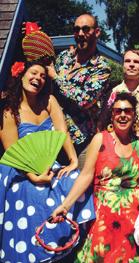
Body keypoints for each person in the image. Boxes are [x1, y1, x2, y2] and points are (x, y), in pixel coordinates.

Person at [52, 92, 139, 262]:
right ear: (112, 115)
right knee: (98, 255)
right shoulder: (100, 139)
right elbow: (86, 175)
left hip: (132, 216)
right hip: (103, 216)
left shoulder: (138, 142)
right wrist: (65, 205)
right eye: (118, 111)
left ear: (134, 115)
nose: (122, 115)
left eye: (127, 111)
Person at [0, 61, 95, 262]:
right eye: (33, 73)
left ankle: (70, 244)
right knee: (34, 193)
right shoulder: (9, 110)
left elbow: (62, 131)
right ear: (21, 76)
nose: (38, 79)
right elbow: (13, 151)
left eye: (43, 76)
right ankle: (33, 250)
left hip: (47, 165)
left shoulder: (49, 100)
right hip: (19, 170)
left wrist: (72, 161)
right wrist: (33, 176)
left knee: (74, 180)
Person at [47, 13, 111, 170]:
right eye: (76, 30)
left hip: (81, 141)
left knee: (82, 188)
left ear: (96, 32)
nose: (80, 34)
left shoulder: (101, 67)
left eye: (85, 29)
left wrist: (56, 77)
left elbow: (86, 99)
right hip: (53, 137)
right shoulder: (63, 58)